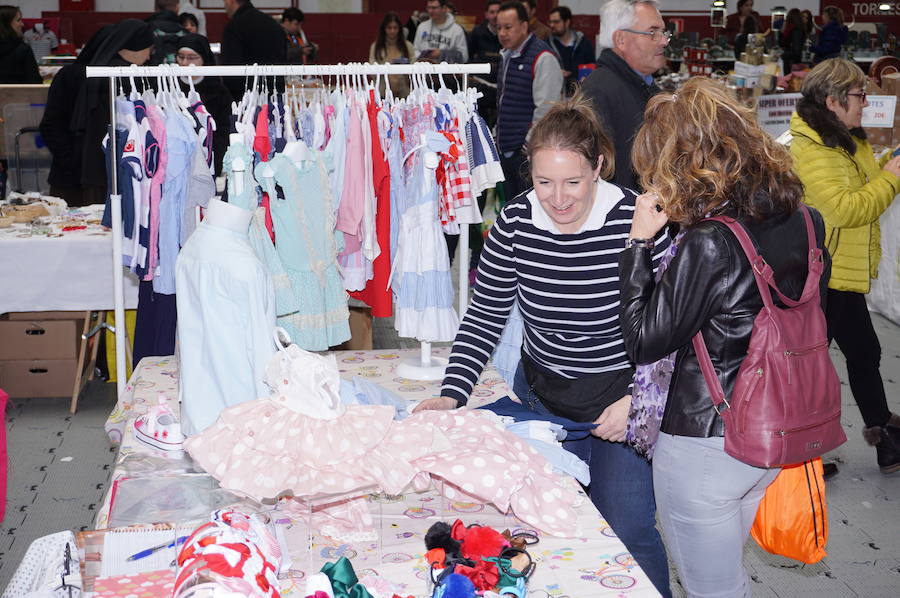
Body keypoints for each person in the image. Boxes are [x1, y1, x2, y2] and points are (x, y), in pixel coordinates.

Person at [415, 93, 672, 598]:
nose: (558, 198)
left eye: (573, 182)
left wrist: (639, 401)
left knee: (629, 530)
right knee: (542, 536)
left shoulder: (638, 223)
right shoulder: (515, 222)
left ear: (598, 166)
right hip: (543, 400)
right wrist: (452, 393)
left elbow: (673, 328)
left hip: (621, 401)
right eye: (543, 182)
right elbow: (485, 315)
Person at [621, 76, 830, 598]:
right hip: (775, 433)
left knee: (713, 590)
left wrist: (638, 246)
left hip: (705, 446)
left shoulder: (709, 242)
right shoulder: (807, 220)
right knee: (727, 581)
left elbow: (644, 338)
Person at [789, 58, 900, 475]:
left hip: (839, 273)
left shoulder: (845, 139)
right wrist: (891, 178)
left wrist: (886, 164)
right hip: (821, 276)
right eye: (859, 95)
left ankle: (883, 436)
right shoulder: (814, 146)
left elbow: (861, 180)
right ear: (833, 100)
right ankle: (798, 456)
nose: (865, 102)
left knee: (863, 352)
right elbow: (843, 209)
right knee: (810, 369)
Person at [581, 0, 668, 191]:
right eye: (653, 32)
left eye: (663, 32)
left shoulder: (645, 86)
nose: (663, 41)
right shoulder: (598, 93)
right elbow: (602, 174)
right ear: (620, 40)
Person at [70, 20, 155, 206]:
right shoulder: (123, 75)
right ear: (135, 47)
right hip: (115, 169)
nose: (149, 56)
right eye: (149, 49)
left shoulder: (106, 68)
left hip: (96, 166)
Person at [495, 1, 562, 201]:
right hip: (506, 149)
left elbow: (547, 110)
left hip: (527, 154)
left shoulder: (543, 57)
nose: (502, 33)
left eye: (508, 27)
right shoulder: (507, 56)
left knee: (532, 213)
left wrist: (527, 146)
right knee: (511, 210)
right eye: (498, 28)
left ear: (524, 26)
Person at [39, 25, 112, 207]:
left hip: (98, 177)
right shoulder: (71, 76)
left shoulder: (118, 76)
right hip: (71, 178)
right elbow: (51, 125)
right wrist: (72, 160)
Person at [176, 34, 233, 176]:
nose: (184, 63)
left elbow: (224, 131)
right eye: (180, 56)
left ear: (204, 58)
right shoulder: (169, 88)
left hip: (210, 159)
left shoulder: (218, 91)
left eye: (191, 58)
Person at [221, 0, 286, 98]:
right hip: (275, 90)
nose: (225, 6)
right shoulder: (273, 24)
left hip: (246, 95)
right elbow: (283, 55)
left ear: (231, 1)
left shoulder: (234, 27)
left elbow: (230, 67)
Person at [369, 12, 416, 98]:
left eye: (395, 28)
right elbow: (371, 70)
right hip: (382, 93)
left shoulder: (408, 46)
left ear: (399, 29)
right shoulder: (376, 47)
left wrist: (404, 69)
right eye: (389, 28)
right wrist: (386, 69)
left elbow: (414, 67)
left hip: (405, 93)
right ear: (384, 29)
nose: (392, 31)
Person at [548, 5, 595, 93]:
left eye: (556, 22)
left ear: (567, 22)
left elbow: (592, 67)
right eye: (550, 22)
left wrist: (579, 75)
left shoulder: (583, 43)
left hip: (580, 96)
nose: (551, 25)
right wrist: (554, 72)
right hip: (556, 96)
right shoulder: (547, 44)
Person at [0, 5, 41, 84]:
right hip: (19, 95)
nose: (22, 24)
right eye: (18, 20)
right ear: (5, 24)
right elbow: (35, 83)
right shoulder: (22, 50)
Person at [146, 0, 187, 64]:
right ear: (177, 7)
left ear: (155, 8)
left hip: (149, 72)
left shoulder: (144, 30)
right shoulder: (185, 32)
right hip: (180, 72)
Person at [780, 8, 806, 73]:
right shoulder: (793, 30)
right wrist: (782, 32)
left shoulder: (796, 31)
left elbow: (796, 52)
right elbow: (782, 44)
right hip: (791, 62)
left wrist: (783, 55)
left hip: (792, 64)